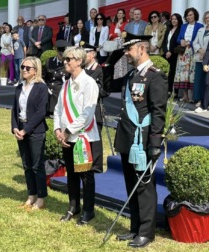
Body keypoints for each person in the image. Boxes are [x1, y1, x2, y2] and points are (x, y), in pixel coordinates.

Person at [103, 33, 168, 248]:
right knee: (131, 184)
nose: (126, 53)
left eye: (129, 49)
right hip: (127, 138)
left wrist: (155, 142)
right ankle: (134, 228)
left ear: (141, 49)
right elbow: (108, 84)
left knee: (144, 187)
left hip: (142, 141)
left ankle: (146, 232)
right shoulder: (131, 75)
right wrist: (111, 60)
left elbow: (158, 112)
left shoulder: (154, 76)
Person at [54, 47, 99, 225]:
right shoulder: (65, 84)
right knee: (71, 173)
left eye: (69, 59)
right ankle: (73, 206)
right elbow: (58, 109)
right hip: (66, 137)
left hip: (84, 137)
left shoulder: (89, 83)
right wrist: (58, 129)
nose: (65, 62)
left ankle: (89, 210)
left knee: (86, 176)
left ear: (79, 61)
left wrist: (67, 130)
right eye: (65, 59)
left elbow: (87, 115)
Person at [11, 56, 48, 210]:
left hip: (35, 131)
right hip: (21, 130)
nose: (24, 70)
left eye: (28, 68)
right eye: (22, 67)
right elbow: (14, 109)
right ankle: (31, 195)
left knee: (37, 165)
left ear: (35, 71)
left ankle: (41, 198)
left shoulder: (41, 87)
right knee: (26, 165)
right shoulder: (19, 87)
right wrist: (14, 127)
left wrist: (26, 130)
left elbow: (41, 112)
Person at [82, 42, 107, 175]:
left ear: (93, 55)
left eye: (86, 53)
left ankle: (97, 166)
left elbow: (103, 90)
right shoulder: (83, 70)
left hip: (95, 107)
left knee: (95, 139)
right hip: (83, 108)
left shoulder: (99, 69)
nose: (83, 56)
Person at [174, 7, 204, 102]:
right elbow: (178, 39)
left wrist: (190, 43)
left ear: (195, 15)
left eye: (191, 15)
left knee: (192, 74)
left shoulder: (200, 26)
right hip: (183, 53)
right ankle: (185, 96)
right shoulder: (183, 26)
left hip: (193, 52)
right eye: (187, 15)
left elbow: (200, 39)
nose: (189, 17)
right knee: (182, 74)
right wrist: (181, 41)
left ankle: (192, 96)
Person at [193, 11, 209, 111]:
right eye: (206, 17)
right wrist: (201, 51)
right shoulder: (201, 29)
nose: (208, 19)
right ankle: (200, 100)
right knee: (200, 80)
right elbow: (195, 42)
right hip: (201, 57)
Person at [44, 40, 71, 115]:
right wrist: (45, 87)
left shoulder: (68, 64)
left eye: (63, 55)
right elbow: (44, 76)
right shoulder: (49, 61)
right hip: (48, 92)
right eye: (60, 55)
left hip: (60, 93)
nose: (61, 57)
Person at [162, 13, 183, 94]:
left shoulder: (181, 29)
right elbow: (164, 42)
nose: (174, 21)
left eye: (175, 19)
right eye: (172, 19)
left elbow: (178, 43)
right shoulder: (168, 29)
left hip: (174, 54)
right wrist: (166, 51)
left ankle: (174, 92)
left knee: (174, 73)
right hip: (166, 54)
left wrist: (171, 51)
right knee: (166, 73)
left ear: (179, 20)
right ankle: (168, 90)